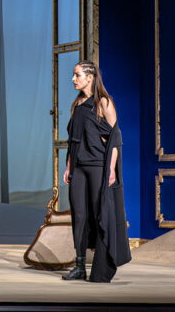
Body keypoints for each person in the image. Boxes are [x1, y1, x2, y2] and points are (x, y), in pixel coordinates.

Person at [61, 60, 130, 283]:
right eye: (74, 75)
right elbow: (74, 138)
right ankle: (79, 265)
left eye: (77, 75)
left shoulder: (103, 102)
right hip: (79, 167)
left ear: (90, 77)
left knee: (101, 214)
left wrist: (111, 169)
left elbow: (115, 138)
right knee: (79, 215)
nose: (73, 79)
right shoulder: (77, 104)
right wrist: (69, 165)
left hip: (98, 166)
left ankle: (102, 268)